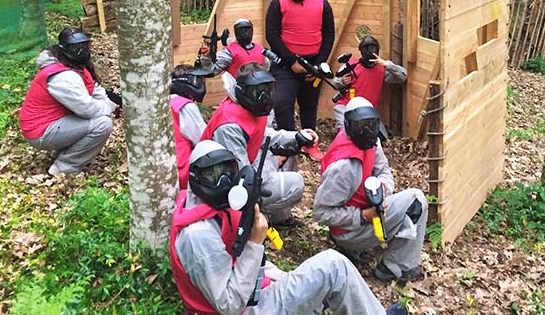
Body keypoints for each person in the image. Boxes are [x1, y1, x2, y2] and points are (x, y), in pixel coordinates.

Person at [170, 139, 408, 315]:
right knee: (333, 266)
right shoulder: (198, 236)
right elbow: (229, 305)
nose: (222, 181)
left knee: (313, 278)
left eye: (227, 172)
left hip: (252, 294)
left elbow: (234, 259)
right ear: (195, 178)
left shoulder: (204, 208)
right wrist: (255, 243)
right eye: (212, 176)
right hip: (247, 310)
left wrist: (278, 277)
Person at [314, 97, 427, 282]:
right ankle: (396, 267)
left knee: (412, 201)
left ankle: (381, 254)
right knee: (417, 200)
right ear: (349, 126)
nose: (367, 130)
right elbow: (321, 213)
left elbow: (383, 170)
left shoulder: (371, 140)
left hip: (369, 213)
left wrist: (382, 191)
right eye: (361, 125)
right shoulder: (343, 167)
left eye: (371, 123)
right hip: (347, 232)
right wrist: (364, 215)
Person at [200, 62, 322, 227]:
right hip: (224, 188)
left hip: (246, 163)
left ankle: (279, 218)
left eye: (268, 89)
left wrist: (297, 137)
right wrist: (272, 164)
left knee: (290, 158)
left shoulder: (249, 108)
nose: (265, 96)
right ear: (242, 90)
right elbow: (241, 177)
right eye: (258, 91)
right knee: (295, 184)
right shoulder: (229, 127)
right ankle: (254, 218)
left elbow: (263, 134)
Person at [19, 27, 120, 176]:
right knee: (102, 124)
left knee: (100, 117)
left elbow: (96, 90)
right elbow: (87, 109)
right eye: (76, 48)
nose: (82, 51)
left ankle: (61, 153)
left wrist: (111, 103)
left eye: (84, 46)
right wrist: (110, 107)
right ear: (64, 49)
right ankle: (65, 168)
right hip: (40, 131)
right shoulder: (62, 76)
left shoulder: (74, 66)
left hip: (52, 123)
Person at [265, 0, 335, 133]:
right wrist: (291, 61)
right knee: (282, 102)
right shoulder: (278, 2)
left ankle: (309, 142)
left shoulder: (321, 2)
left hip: (313, 63)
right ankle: (288, 140)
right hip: (285, 64)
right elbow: (272, 35)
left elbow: (329, 34)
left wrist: (318, 65)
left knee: (309, 104)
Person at [332, 35, 407, 135]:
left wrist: (388, 65)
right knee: (346, 134)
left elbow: (402, 76)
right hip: (346, 107)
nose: (369, 51)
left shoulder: (381, 69)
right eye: (366, 48)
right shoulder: (351, 65)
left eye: (372, 48)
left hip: (368, 112)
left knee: (381, 138)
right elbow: (335, 82)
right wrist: (342, 82)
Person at [170, 62, 213, 189]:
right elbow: (203, 139)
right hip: (184, 173)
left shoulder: (164, 103)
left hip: (165, 170)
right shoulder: (185, 106)